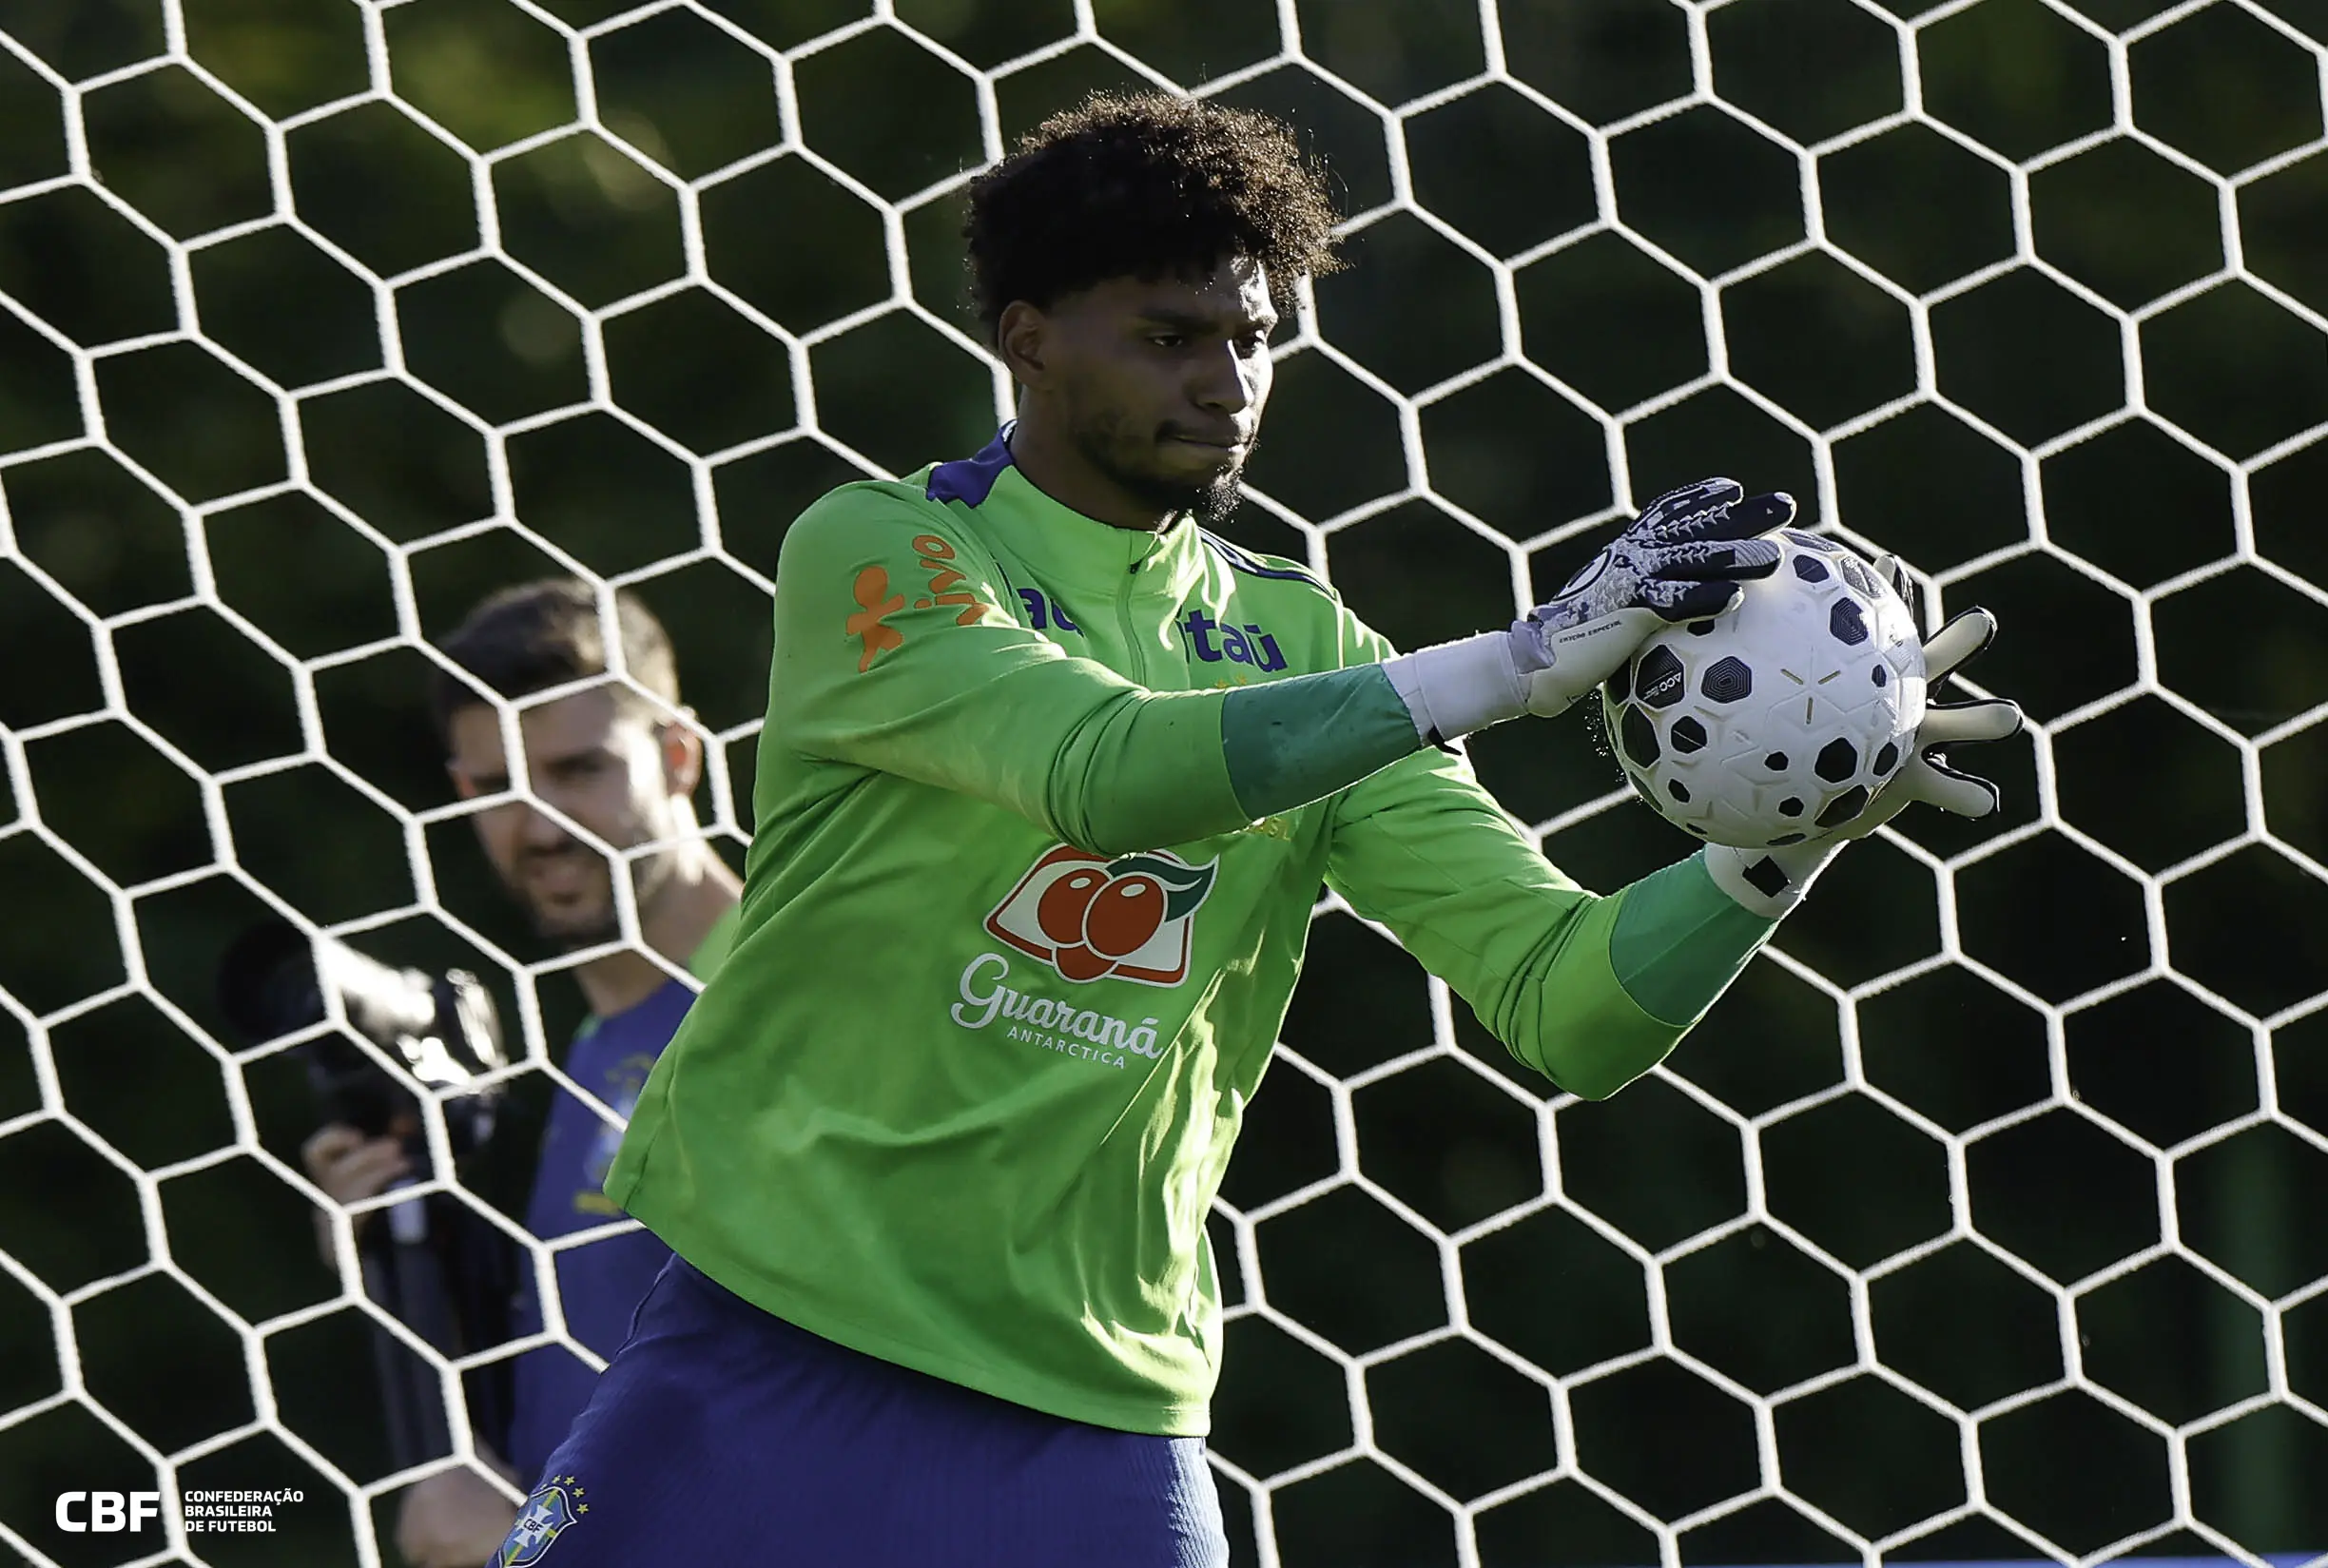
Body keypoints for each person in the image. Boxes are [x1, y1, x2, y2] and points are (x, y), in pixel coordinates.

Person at [501, 92, 2020, 1567]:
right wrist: (1515, 663)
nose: (1228, 383)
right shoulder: (885, 551)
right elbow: (1104, 771)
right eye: (1170, 338)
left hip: (1097, 1416)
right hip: (769, 1350)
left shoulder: (1307, 647)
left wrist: (1789, 832)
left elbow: (1566, 1003)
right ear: (1027, 339)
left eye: (1255, 338)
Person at [298, 579, 740, 1568]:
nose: (538, 824)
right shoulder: (594, 1044)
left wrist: (534, 1543)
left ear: (679, 755)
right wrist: (397, 1254)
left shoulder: (779, 1001)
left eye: (578, 769)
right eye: (499, 783)